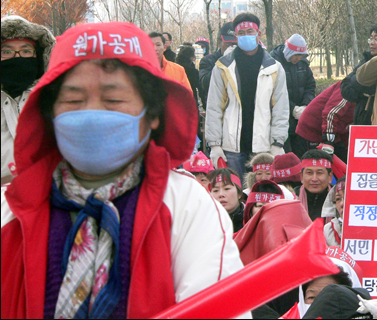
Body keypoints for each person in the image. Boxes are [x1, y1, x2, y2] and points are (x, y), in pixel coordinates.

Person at [0, 22, 250, 319]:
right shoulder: (11, 209)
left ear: (153, 113)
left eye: (113, 100)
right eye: (73, 101)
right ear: (49, 113)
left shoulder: (188, 208)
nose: (91, 116)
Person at [205, 13, 289, 182]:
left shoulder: (274, 68)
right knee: (234, 193)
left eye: (250, 31)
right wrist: (214, 144)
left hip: (263, 145)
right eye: (241, 33)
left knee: (262, 194)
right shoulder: (222, 67)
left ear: (259, 34)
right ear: (235, 37)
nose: (246, 36)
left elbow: (281, 108)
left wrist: (278, 142)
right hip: (232, 147)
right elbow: (214, 107)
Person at [1, 15, 56, 185]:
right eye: (7, 52)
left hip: (49, 193)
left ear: (38, 56)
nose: (17, 57)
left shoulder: (53, 97)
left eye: (26, 51)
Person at [270, 34, 315, 158]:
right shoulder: (273, 63)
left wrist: (306, 105)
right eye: (295, 55)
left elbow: (310, 86)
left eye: (300, 55)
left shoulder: (303, 65)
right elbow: (273, 93)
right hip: (280, 119)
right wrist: (292, 108)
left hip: (300, 119)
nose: (297, 58)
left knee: (300, 154)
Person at [341, 22, 377, 125]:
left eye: (376, 39)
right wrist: (362, 93)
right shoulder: (366, 60)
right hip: (362, 118)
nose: (372, 43)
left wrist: (360, 87)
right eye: (371, 38)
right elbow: (345, 87)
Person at [198, 22, 237, 110]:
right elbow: (205, 84)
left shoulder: (243, 59)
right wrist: (224, 62)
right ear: (219, 43)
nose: (232, 48)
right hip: (217, 109)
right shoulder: (208, 60)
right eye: (228, 44)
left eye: (235, 45)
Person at [297, 149, 333, 221]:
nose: (314, 179)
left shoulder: (339, 199)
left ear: (330, 177)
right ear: (301, 176)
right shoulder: (292, 198)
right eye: (309, 173)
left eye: (319, 173)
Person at [208, 168, 245, 233]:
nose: (221, 194)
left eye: (227, 189)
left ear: (239, 194)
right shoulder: (205, 222)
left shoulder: (250, 219)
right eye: (216, 190)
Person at [175, 44, 202, 109]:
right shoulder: (193, 71)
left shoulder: (174, 68)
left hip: (176, 103)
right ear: (191, 57)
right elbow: (201, 90)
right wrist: (205, 104)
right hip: (191, 103)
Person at [323, 177, 345, 247]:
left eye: (349, 197)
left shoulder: (376, 229)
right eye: (338, 199)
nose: (342, 204)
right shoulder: (329, 230)